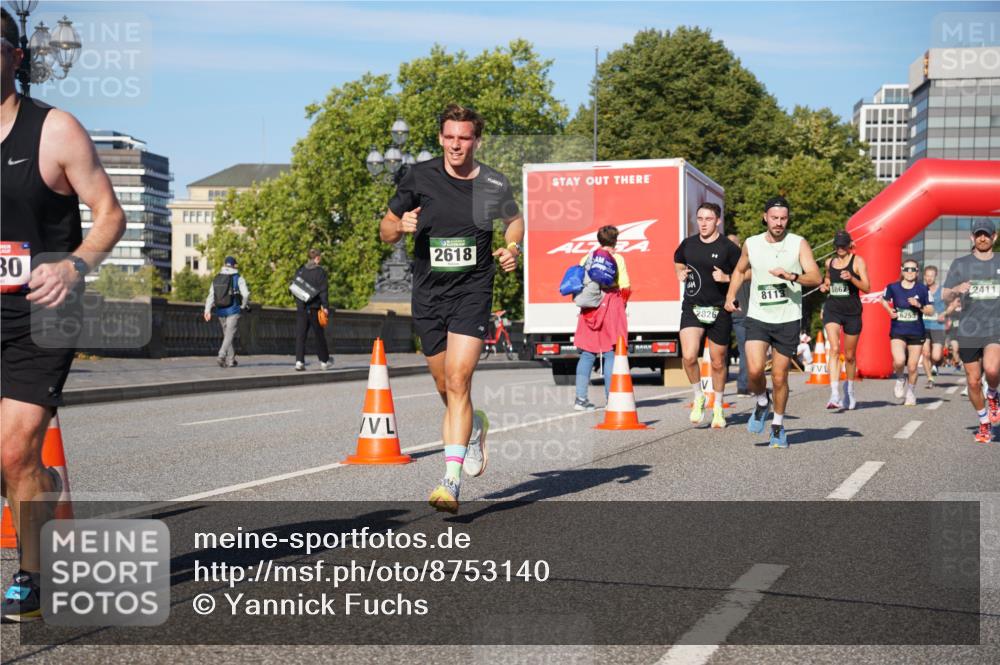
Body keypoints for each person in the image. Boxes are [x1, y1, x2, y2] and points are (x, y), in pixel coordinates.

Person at [1, 8, 126, 622]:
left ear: (15, 55)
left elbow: (109, 214)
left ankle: (31, 575)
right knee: (13, 462)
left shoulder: (54, 130)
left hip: (41, 314)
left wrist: (75, 265)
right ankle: (43, 488)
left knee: (13, 449)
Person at [379, 103, 522, 513]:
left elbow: (516, 220)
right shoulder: (419, 176)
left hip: (472, 291)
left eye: (465, 137)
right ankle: (474, 426)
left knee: (459, 380)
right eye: (450, 137)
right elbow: (385, 229)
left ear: (476, 140)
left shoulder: (494, 183)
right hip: (427, 295)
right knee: (444, 386)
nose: (457, 144)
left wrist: (512, 247)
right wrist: (400, 226)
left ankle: (450, 480)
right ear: (441, 138)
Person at [724, 196, 821, 448]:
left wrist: (790, 275)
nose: (779, 223)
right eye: (774, 218)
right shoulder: (751, 243)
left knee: (779, 377)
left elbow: (816, 277)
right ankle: (762, 401)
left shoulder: (798, 243)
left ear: (787, 219)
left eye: (783, 218)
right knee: (755, 370)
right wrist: (730, 295)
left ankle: (777, 426)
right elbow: (738, 270)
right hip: (758, 316)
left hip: (787, 318)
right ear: (765, 217)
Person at [674, 203, 740, 428]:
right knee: (689, 356)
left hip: (719, 308)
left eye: (708, 219)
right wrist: (680, 272)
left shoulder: (728, 247)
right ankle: (698, 396)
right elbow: (678, 260)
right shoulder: (688, 244)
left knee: (718, 362)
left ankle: (719, 406)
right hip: (692, 306)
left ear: (718, 221)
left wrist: (727, 278)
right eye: (700, 218)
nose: (703, 223)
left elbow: (746, 273)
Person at [942, 218, 1000, 444]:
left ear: (994, 237)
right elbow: (945, 295)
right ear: (972, 238)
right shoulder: (960, 263)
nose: (982, 238)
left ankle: (993, 394)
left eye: (987, 234)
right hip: (968, 329)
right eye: (979, 234)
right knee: (974, 381)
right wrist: (956, 289)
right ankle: (984, 422)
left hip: (995, 325)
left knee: (992, 369)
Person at [573, 225, 630, 411]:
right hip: (611, 306)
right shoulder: (617, 259)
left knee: (587, 354)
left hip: (590, 309)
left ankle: (580, 399)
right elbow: (625, 287)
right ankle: (611, 399)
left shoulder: (586, 257)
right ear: (615, 241)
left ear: (599, 239)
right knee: (611, 352)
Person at [818, 230, 869, 410]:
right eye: (838, 245)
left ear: (849, 245)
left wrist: (852, 278)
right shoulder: (829, 262)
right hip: (833, 309)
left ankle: (849, 388)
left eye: (843, 245)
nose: (840, 248)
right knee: (833, 349)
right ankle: (834, 393)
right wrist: (825, 285)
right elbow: (828, 279)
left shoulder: (858, 261)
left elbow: (867, 287)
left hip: (852, 312)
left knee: (849, 356)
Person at [881, 258, 935, 407]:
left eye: (913, 269)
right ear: (902, 270)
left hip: (916, 331)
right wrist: (889, 310)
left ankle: (911, 392)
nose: (909, 272)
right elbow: (883, 300)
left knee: (912, 366)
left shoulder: (923, 289)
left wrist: (919, 305)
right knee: (899, 361)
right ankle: (900, 378)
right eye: (907, 269)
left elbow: (931, 310)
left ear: (917, 272)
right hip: (898, 329)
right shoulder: (893, 287)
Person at [203, 255, 250, 368]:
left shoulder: (217, 277)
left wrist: (207, 310)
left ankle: (231, 360)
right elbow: (246, 294)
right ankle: (221, 355)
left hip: (220, 311)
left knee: (227, 335)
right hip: (233, 310)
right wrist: (243, 305)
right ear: (235, 265)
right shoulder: (238, 277)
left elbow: (211, 296)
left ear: (224, 265)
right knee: (229, 335)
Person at [293, 248, 332, 371]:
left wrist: (299, 304)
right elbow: (323, 291)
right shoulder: (320, 272)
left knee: (301, 335)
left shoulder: (301, 270)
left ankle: (299, 361)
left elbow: (295, 288)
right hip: (314, 308)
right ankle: (324, 361)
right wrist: (325, 306)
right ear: (317, 258)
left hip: (302, 308)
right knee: (319, 335)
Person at [727, 233, 750, 396]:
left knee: (746, 349)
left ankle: (746, 384)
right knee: (745, 350)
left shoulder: (747, 263)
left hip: (744, 312)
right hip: (736, 312)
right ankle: (743, 385)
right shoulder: (739, 264)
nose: (732, 245)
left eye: (734, 242)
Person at [920, 265, 947, 388]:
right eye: (927, 275)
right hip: (923, 325)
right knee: (925, 353)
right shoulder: (920, 289)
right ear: (924, 276)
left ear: (935, 276)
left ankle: (935, 364)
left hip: (938, 326)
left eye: (932, 275)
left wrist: (945, 314)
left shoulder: (941, 291)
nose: (929, 278)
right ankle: (930, 378)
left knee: (936, 355)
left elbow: (952, 303)